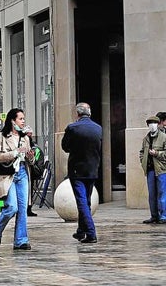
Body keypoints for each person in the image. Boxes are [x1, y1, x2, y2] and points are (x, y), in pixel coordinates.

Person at [0, 108, 36, 251]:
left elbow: (32, 161)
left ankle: (21, 240)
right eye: (20, 119)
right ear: (12, 121)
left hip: (22, 173)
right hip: (7, 175)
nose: (23, 122)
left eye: (23, 119)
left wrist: (30, 156)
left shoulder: (25, 138)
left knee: (22, 209)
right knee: (12, 207)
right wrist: (15, 152)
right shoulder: (1, 137)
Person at [61, 101, 102, 244]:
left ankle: (91, 232)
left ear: (77, 113)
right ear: (89, 113)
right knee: (87, 201)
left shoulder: (72, 128)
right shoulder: (98, 128)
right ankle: (81, 231)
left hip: (77, 170)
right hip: (92, 170)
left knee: (82, 202)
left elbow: (65, 147)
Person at [140, 113, 166, 224]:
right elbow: (142, 152)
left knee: (162, 193)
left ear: (158, 124)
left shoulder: (164, 137)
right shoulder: (146, 138)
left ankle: (163, 216)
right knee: (152, 194)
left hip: (161, 169)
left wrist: (157, 153)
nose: (152, 125)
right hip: (150, 169)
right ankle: (154, 215)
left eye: (154, 123)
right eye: (150, 123)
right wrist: (142, 161)